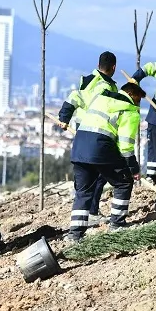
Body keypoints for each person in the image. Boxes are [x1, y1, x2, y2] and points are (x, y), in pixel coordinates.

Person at [65, 82, 146, 243]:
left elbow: (76, 97)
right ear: (130, 94)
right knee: (123, 182)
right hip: (100, 148)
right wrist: (133, 169)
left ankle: (75, 235)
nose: (138, 104)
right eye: (138, 100)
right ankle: (117, 224)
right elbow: (125, 146)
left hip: (79, 146)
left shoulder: (100, 98)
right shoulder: (130, 112)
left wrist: (64, 115)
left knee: (83, 191)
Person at [58, 52, 118, 225]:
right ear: (113, 67)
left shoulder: (91, 81)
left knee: (90, 173)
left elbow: (74, 98)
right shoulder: (102, 86)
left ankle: (87, 213)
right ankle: (90, 213)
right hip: (95, 133)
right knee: (100, 173)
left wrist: (64, 117)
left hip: (85, 132)